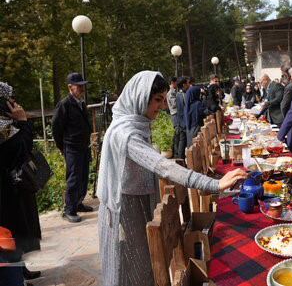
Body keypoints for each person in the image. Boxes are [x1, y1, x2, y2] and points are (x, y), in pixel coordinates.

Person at [97, 71, 247, 286]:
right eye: (157, 100)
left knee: (144, 261)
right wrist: (214, 184)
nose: (163, 106)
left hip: (137, 200)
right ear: (140, 97)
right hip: (125, 208)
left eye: (163, 99)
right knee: (130, 266)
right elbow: (163, 166)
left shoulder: (135, 124)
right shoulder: (126, 133)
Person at [0, 82, 41, 283]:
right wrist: (23, 121)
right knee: (9, 250)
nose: (14, 103)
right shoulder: (2, 130)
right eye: (9, 100)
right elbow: (22, 148)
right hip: (6, 200)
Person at [52, 73, 93, 223]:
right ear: (70, 87)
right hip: (72, 147)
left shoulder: (80, 102)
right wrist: (61, 147)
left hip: (83, 146)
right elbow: (56, 128)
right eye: (79, 85)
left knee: (83, 176)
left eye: (83, 85)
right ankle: (69, 210)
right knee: (73, 178)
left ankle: (78, 203)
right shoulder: (64, 104)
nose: (82, 88)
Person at [175, 77, 190, 159]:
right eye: (187, 83)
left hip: (180, 121)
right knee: (184, 141)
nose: (189, 85)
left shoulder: (178, 94)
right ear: (184, 84)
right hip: (185, 122)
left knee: (182, 141)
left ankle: (180, 160)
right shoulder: (184, 95)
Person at [166, 77, 179, 158]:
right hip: (174, 114)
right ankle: (176, 153)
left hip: (175, 114)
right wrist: (180, 99)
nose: (177, 84)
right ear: (173, 83)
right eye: (176, 82)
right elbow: (174, 104)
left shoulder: (174, 91)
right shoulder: (171, 92)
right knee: (176, 133)